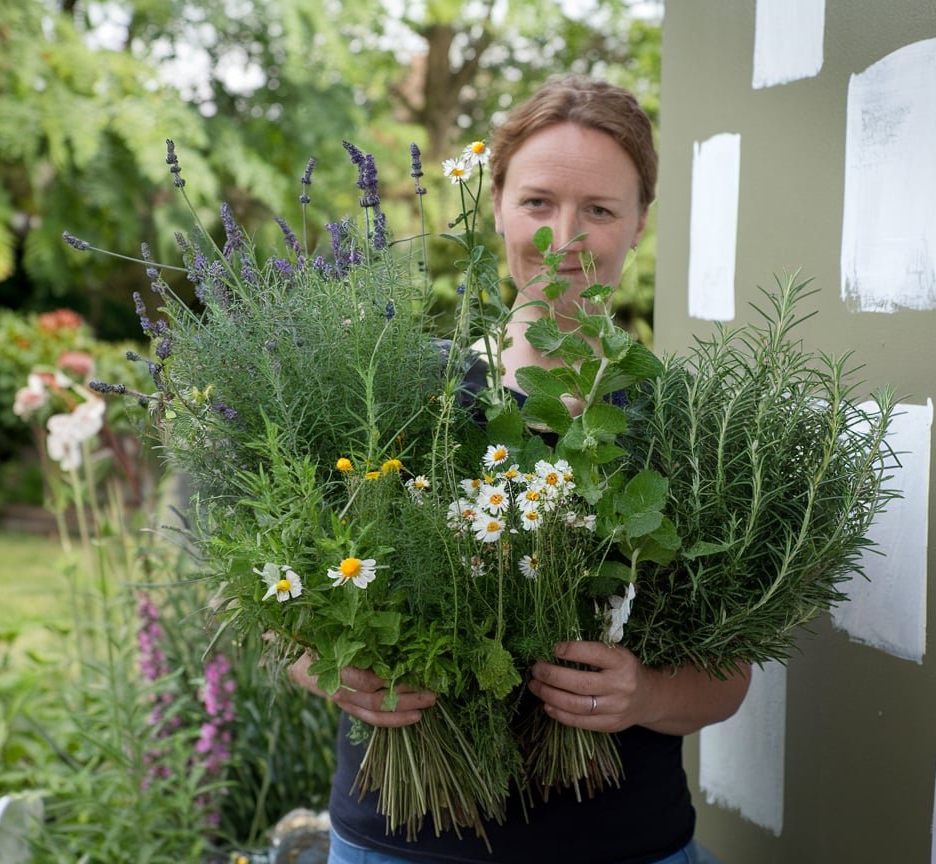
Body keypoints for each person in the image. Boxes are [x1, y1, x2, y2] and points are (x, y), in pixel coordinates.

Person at [289, 75, 752, 864]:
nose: (560, 237)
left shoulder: (689, 426)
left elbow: (731, 672)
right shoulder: (397, 392)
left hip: (620, 844)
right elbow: (289, 602)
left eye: (599, 210)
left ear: (640, 224)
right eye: (537, 202)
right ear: (496, 202)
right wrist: (325, 667)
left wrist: (647, 693)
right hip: (401, 843)